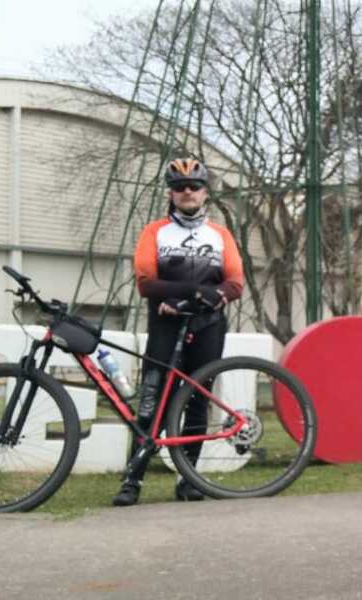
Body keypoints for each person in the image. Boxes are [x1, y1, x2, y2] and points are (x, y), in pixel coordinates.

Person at [113, 157, 245, 507]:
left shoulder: (220, 235)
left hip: (208, 326)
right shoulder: (154, 232)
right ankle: (132, 480)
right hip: (165, 324)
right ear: (171, 194)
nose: (187, 192)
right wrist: (193, 293)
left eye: (194, 186)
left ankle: (189, 480)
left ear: (205, 193)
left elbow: (235, 282)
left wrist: (208, 297)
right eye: (179, 187)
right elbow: (145, 283)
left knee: (197, 401)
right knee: (152, 401)